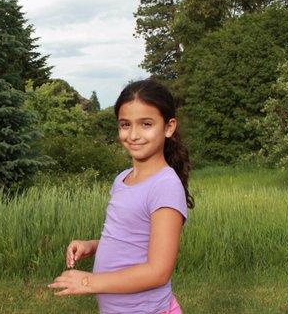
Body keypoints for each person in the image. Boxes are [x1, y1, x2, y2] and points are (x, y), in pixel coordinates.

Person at [49, 79, 194, 314]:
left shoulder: (165, 186)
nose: (133, 135)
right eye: (125, 125)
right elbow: (129, 240)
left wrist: (88, 282)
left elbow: (158, 271)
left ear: (168, 127)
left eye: (146, 124)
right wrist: (93, 246)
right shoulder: (123, 179)